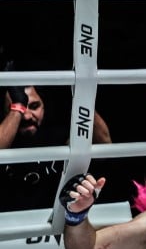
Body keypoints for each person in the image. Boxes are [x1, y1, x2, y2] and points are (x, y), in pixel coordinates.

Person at [2, 73, 112, 211]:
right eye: (21, 108)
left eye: (34, 106)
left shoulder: (58, 136)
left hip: (54, 224)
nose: (27, 116)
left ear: (44, 106)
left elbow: (104, 145)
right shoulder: (5, 140)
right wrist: (17, 108)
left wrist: (82, 100)